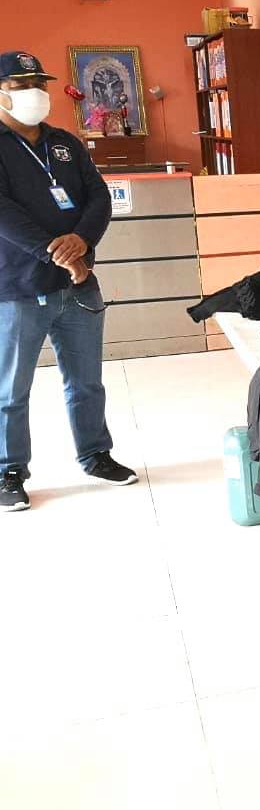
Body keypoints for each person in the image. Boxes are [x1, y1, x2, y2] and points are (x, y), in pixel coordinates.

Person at [0, 50, 137, 512]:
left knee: (86, 381)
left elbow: (98, 196)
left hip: (78, 285)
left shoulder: (65, 142)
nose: (34, 92)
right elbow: (3, 212)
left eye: (38, 83)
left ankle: (96, 455)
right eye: (21, 85)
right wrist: (56, 253)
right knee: (11, 389)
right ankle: (8, 471)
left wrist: (81, 241)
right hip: (19, 288)